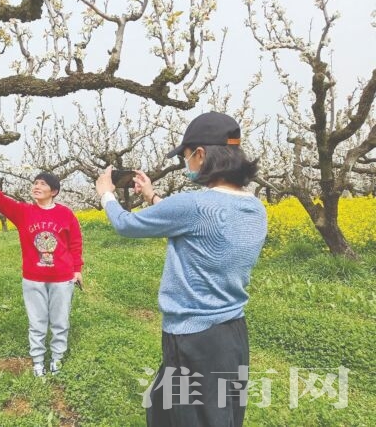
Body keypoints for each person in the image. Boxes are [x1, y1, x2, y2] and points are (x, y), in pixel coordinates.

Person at [95, 112, 267, 426]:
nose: (185, 162)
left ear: (200, 154)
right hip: (232, 333)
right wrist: (151, 195)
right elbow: (194, 221)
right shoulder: (255, 206)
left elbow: (126, 224)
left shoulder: (194, 205)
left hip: (193, 337)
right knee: (206, 411)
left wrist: (106, 193)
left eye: (185, 155)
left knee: (188, 417)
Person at [0, 170, 83, 377]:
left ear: (54, 191)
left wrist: (77, 270)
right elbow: (1, 201)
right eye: (35, 183)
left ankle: (57, 358)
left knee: (60, 321)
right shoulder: (23, 212)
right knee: (37, 322)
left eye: (42, 184)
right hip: (33, 278)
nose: (36, 186)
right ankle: (38, 361)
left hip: (62, 278)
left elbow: (75, 243)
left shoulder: (65, 214)